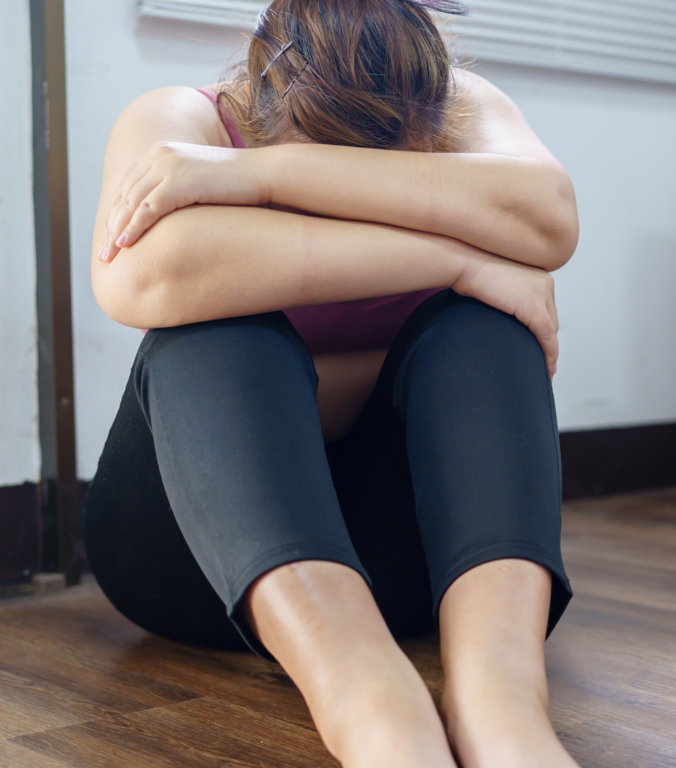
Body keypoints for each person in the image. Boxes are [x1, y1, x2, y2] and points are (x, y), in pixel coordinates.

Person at [83, 0, 581, 765]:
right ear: (267, 104)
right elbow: (144, 276)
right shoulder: (184, 119)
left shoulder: (462, 106)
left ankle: (500, 703)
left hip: (411, 562)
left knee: (484, 328)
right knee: (211, 325)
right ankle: (373, 707)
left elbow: (547, 219)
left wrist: (262, 173)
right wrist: (457, 258)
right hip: (199, 567)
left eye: (390, 169)